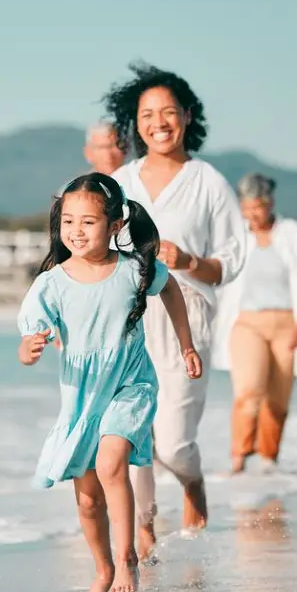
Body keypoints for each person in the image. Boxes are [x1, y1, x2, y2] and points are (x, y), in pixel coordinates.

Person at [17, 173, 202, 592]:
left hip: (131, 383)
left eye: (88, 222)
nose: (75, 232)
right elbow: (26, 347)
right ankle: (102, 566)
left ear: (115, 225)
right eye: (68, 222)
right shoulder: (51, 283)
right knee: (86, 501)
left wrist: (186, 344)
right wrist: (31, 349)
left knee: (112, 463)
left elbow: (170, 287)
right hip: (81, 395)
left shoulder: (134, 269)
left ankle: (126, 558)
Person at [103, 62, 247, 557]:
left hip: (187, 321)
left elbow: (230, 262)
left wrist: (189, 261)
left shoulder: (207, 182)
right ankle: (143, 528)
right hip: (128, 323)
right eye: (147, 114)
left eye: (168, 112)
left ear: (187, 117)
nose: (157, 122)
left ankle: (191, 481)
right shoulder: (120, 181)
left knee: (171, 442)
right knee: (132, 428)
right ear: (135, 122)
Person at [211, 173, 297, 474]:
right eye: (246, 208)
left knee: (278, 396)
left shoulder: (293, 234)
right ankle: (238, 457)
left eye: (257, 207)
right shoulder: (235, 238)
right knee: (249, 390)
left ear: (270, 203)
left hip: (287, 321)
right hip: (246, 322)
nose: (251, 214)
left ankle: (269, 459)